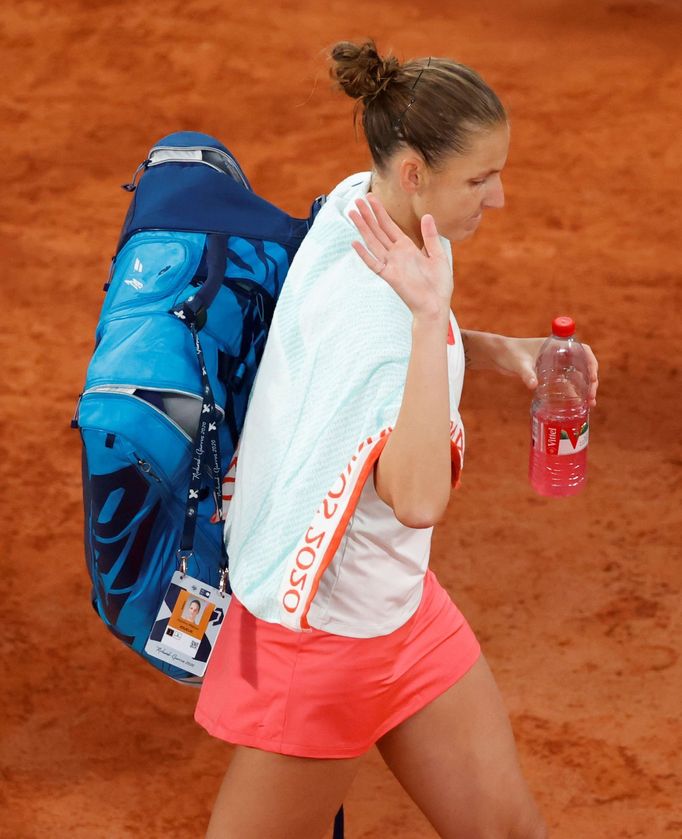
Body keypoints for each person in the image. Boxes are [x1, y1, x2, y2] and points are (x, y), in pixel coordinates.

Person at [194, 39, 599, 839]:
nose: (501, 195)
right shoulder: (395, 315)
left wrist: (486, 345)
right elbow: (416, 496)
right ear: (414, 172)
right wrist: (424, 319)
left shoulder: (360, 208)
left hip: (404, 617)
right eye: (479, 178)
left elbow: (365, 365)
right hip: (325, 644)